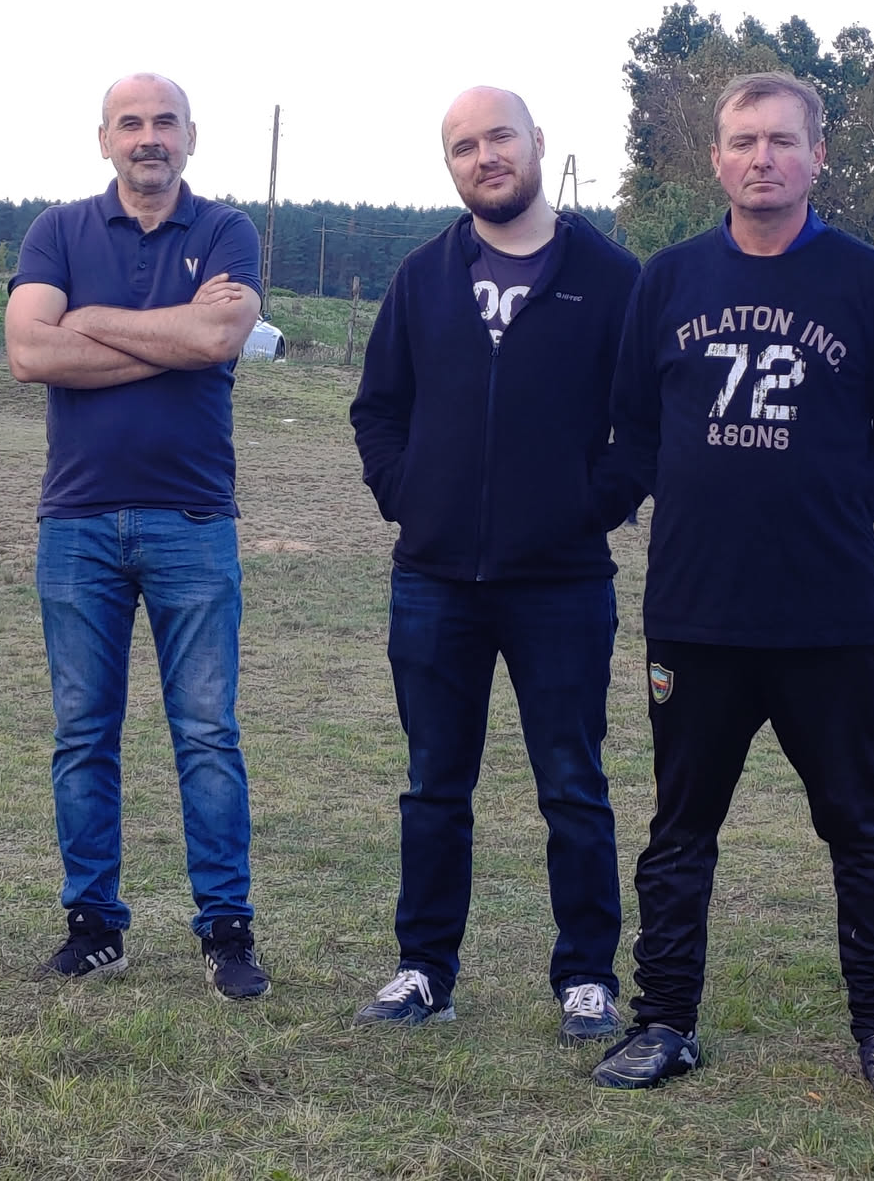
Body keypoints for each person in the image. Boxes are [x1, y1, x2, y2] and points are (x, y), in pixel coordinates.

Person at [592, 72, 874, 1106]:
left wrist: (824, 516)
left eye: (783, 141)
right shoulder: (669, 280)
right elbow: (635, 430)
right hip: (695, 615)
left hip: (829, 618)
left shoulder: (870, 283)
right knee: (679, 830)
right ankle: (665, 1022)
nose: (763, 159)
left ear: (818, 155)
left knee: (860, 827)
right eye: (743, 141)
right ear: (716, 159)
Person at [348, 86, 642, 1043]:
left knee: (573, 784)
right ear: (452, 166)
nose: (485, 157)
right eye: (464, 146)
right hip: (434, 580)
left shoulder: (611, 277)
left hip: (562, 583)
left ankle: (587, 976)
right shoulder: (422, 277)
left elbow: (643, 425)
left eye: (500, 137)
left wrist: (587, 509)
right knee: (435, 784)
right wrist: (409, 495)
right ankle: (424, 968)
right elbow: (377, 409)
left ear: (537, 143)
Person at [4, 73, 270, 998]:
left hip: (193, 520)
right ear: (104, 139)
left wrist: (90, 321)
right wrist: (173, 335)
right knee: (84, 734)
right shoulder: (57, 231)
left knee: (207, 732)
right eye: (131, 123)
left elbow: (218, 341)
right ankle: (94, 926)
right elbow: (29, 351)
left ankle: (226, 931)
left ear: (191, 136)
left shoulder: (227, 230)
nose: (148, 136)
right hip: (77, 522)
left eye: (164, 122)